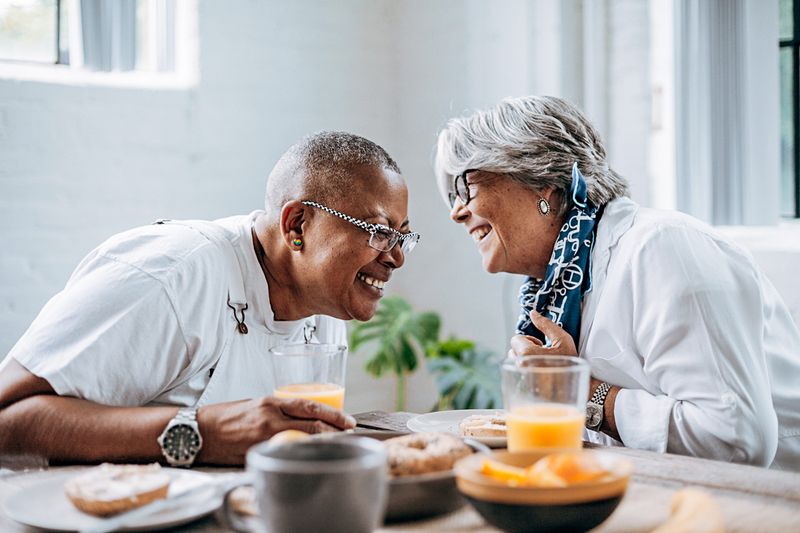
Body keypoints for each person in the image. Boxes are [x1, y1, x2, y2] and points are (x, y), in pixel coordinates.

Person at [0, 131, 419, 466]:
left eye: (403, 236)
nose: (396, 257)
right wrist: (204, 433)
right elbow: (8, 421)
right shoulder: (173, 273)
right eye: (379, 231)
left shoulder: (325, 312)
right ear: (297, 225)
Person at [434, 95, 800, 471]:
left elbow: (736, 440)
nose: (455, 212)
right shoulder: (556, 291)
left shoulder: (662, 248)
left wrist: (579, 392)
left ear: (543, 184)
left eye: (466, 188)